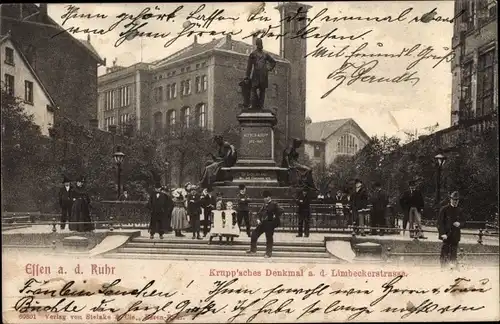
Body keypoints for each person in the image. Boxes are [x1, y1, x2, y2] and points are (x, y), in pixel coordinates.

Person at [246, 190, 282, 258]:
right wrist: (258, 219)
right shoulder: (264, 205)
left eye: (266, 197)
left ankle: (268, 253)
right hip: (263, 223)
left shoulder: (274, 204)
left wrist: (275, 216)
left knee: (269, 238)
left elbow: (281, 210)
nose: (265, 198)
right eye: (264, 197)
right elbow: (259, 213)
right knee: (254, 234)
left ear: (269, 197)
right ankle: (253, 250)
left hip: (270, 224)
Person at [245, 37, 276, 110]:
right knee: (253, 89)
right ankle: (254, 105)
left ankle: (261, 106)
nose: (260, 45)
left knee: (262, 91)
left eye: (261, 44)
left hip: (263, 75)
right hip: (256, 75)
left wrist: (269, 68)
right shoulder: (253, 54)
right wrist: (247, 76)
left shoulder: (265, 54)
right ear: (256, 45)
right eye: (259, 44)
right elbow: (249, 66)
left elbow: (273, 62)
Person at [437, 191, 464, 268]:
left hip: (455, 237)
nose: (455, 201)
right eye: (454, 200)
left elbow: (464, 222)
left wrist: (460, 224)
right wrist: (442, 234)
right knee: (444, 255)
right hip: (446, 236)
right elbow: (439, 223)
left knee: (453, 256)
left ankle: (452, 273)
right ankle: (443, 270)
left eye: (457, 200)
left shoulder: (460, 210)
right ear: (450, 200)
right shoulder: (444, 209)